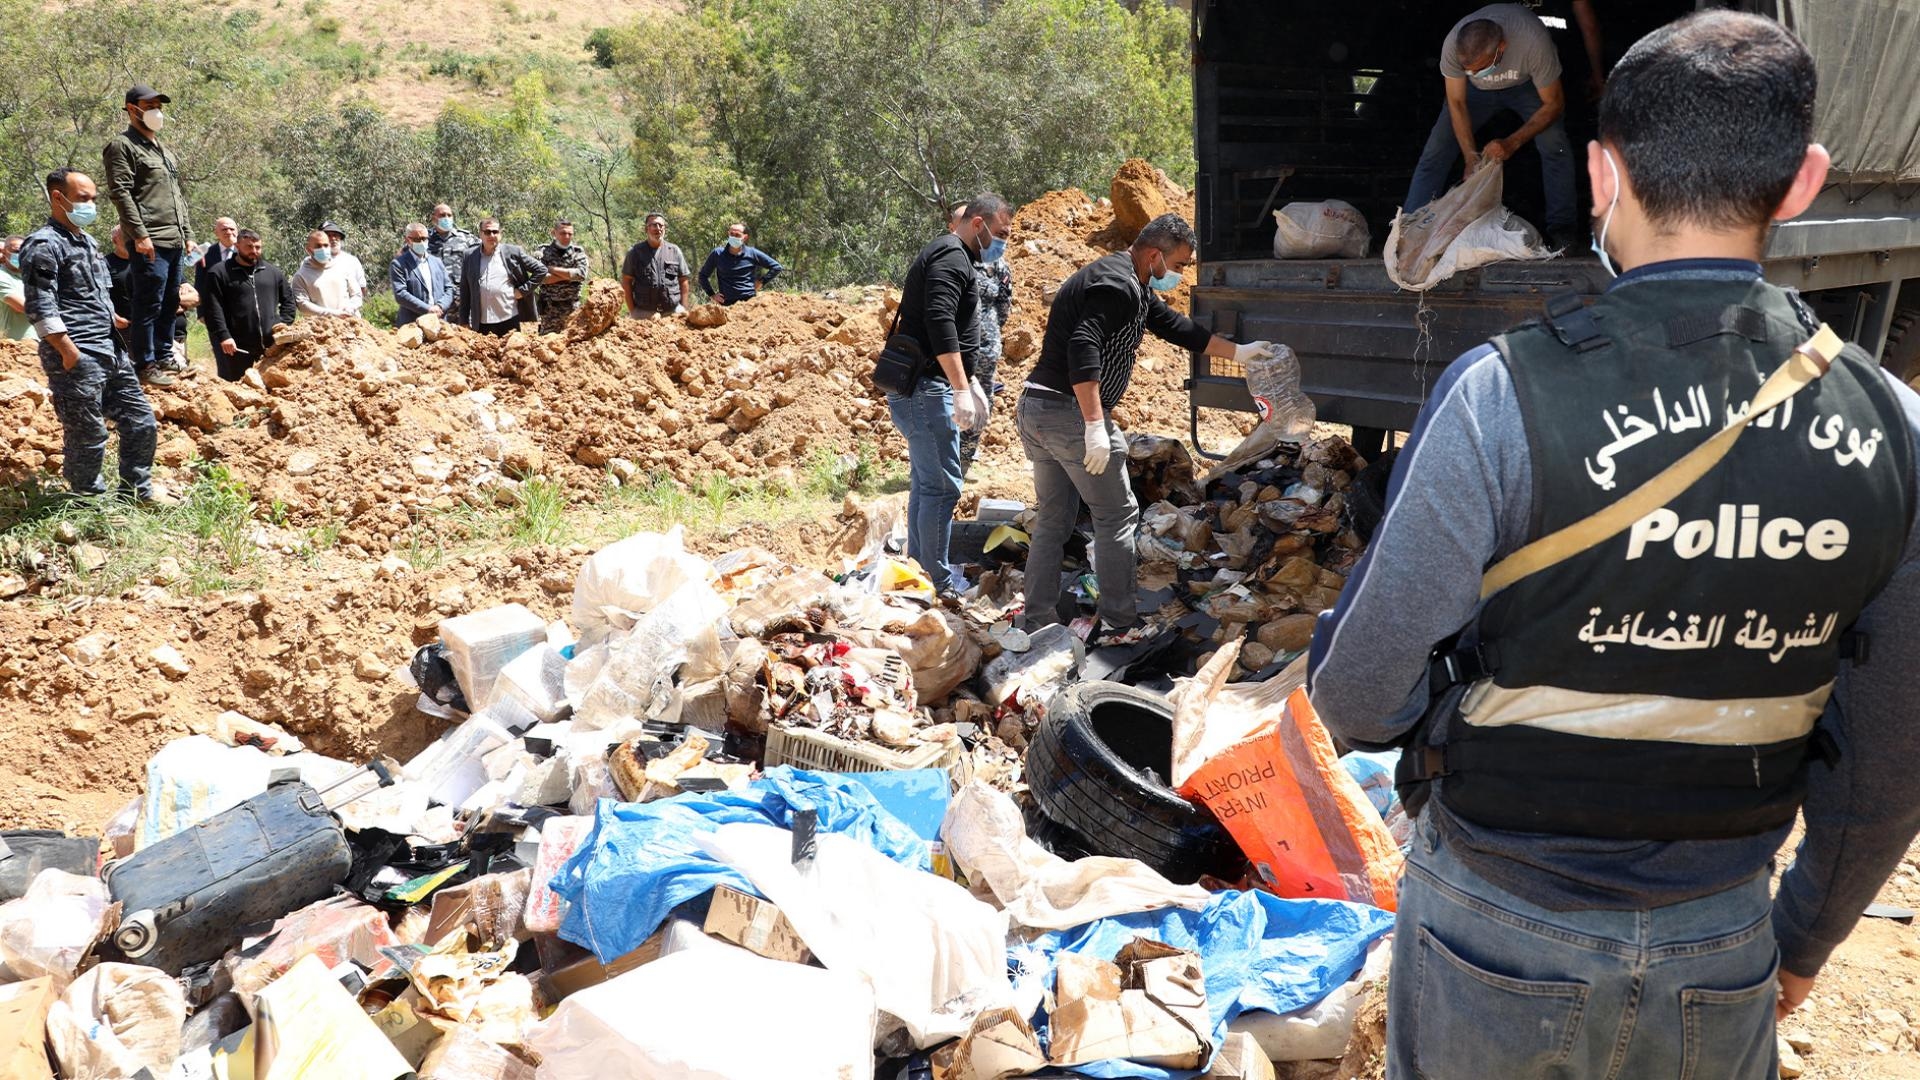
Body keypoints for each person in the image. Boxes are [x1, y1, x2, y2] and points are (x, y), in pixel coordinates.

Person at [1308, 14, 1920, 1079]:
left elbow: (1359, 698)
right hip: (1718, 938)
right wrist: (1805, 937)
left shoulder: (1499, 398)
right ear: (1804, 184)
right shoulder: (1896, 432)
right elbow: (1887, 760)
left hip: (1491, 927)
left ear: (1600, 176)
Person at [1018, 213, 1272, 643]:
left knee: (1053, 519)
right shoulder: (1117, 286)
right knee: (1117, 514)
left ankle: (1036, 620)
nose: (1180, 273)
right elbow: (1083, 345)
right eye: (1179, 264)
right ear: (1155, 255)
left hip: (1039, 408)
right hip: (1070, 415)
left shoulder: (1131, 283)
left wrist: (1239, 352)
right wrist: (1095, 426)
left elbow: (1176, 327)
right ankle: (1120, 623)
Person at [886, 194, 1011, 598]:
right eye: (1001, 232)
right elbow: (940, 321)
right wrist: (960, 386)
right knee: (942, 487)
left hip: (925, 387)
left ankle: (918, 573)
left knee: (928, 485)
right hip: (928, 390)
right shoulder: (951, 256)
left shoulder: (955, 256)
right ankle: (937, 583)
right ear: (978, 223)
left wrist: (969, 380)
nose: (1003, 241)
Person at [21, 168, 160, 503]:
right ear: (58, 197)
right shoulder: (43, 244)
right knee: (88, 434)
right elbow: (40, 305)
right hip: (77, 352)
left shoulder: (88, 242)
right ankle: (88, 502)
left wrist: (111, 317)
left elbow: (91, 291)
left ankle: (136, 493)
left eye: (93, 199)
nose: (91, 205)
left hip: (111, 350)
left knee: (141, 421)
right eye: (83, 198)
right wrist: (69, 353)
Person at [1403, 4, 1579, 250]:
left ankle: (1563, 229)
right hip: (1474, 94)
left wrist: (1512, 143)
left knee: (1555, 145)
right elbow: (1456, 102)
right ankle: (1410, 230)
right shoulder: (1452, 44)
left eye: (1479, 67)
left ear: (1502, 47)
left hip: (1525, 86)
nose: (1473, 72)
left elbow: (1554, 103)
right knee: (1437, 149)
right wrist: (1469, 156)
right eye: (1467, 69)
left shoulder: (1533, 42)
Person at [101, 83, 191, 381]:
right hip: (150, 239)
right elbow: (121, 193)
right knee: (148, 302)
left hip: (174, 239)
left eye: (159, 106)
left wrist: (188, 233)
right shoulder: (122, 145)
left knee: (170, 301)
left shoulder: (163, 150)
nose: (156, 112)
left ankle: (164, 356)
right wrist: (139, 235)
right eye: (149, 106)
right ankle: (145, 364)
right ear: (132, 109)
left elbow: (177, 195)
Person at [200, 228, 295, 382]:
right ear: (237, 246)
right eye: (249, 247)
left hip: (271, 347)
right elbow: (212, 308)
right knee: (237, 388)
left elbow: (289, 301)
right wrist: (224, 336)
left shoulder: (273, 273)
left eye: (258, 247)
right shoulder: (219, 273)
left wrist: (284, 324)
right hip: (236, 348)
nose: (254, 251)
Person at [454, 218, 566, 336]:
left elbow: (541, 270)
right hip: (482, 322)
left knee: (511, 348)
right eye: (487, 232)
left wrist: (522, 291)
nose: (492, 235)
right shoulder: (469, 256)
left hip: (509, 319)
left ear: (500, 234)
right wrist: (464, 321)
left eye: (495, 232)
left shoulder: (513, 252)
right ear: (480, 234)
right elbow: (465, 291)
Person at [621, 213, 690, 317]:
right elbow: (626, 282)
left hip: (673, 311)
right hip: (644, 312)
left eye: (661, 225)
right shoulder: (634, 252)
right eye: (654, 225)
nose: (658, 228)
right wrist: (633, 311)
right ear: (646, 229)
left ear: (664, 228)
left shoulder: (675, 251)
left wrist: (684, 307)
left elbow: (683, 280)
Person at [697, 223, 783, 305]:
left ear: (745, 237)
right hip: (727, 306)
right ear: (728, 234)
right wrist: (712, 295)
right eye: (731, 234)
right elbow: (702, 276)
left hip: (749, 304)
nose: (734, 237)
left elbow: (776, 267)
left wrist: (761, 281)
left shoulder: (752, 253)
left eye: (737, 235)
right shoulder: (717, 254)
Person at [391, 222, 453, 327]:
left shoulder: (437, 262)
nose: (422, 242)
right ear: (408, 240)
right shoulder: (399, 264)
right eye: (417, 239)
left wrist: (440, 306)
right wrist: (428, 309)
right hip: (412, 325)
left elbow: (449, 289)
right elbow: (400, 294)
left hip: (439, 323)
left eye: (424, 239)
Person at [534, 219, 590, 335]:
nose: (567, 237)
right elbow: (541, 278)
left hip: (572, 309)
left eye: (570, 234)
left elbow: (581, 274)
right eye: (563, 233)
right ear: (554, 233)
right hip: (549, 310)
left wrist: (551, 269)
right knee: (547, 342)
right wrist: (569, 276)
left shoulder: (578, 252)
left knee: (573, 341)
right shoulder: (543, 252)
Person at [291, 229, 363, 318]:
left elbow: (356, 294)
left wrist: (350, 308)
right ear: (309, 250)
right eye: (318, 246)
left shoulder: (344, 267)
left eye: (325, 245)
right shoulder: (301, 276)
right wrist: (332, 313)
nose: (323, 249)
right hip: (321, 325)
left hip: (349, 322)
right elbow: (302, 304)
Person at [428, 203, 480, 325]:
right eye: (442, 215)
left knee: (465, 332)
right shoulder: (424, 239)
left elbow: (485, 255)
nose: (446, 218)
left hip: (461, 300)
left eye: (449, 215)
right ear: (434, 219)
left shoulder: (467, 238)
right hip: (435, 302)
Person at [321, 221, 368, 301]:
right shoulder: (313, 262)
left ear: (340, 238)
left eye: (335, 235)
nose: (333, 239)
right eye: (329, 236)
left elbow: (362, 288)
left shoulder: (352, 261)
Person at [0, 236, 36, 341]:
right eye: (16, 251)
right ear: (4, 252)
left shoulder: (32, 277)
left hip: (42, 342)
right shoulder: (2, 276)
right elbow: (23, 306)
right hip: (16, 345)